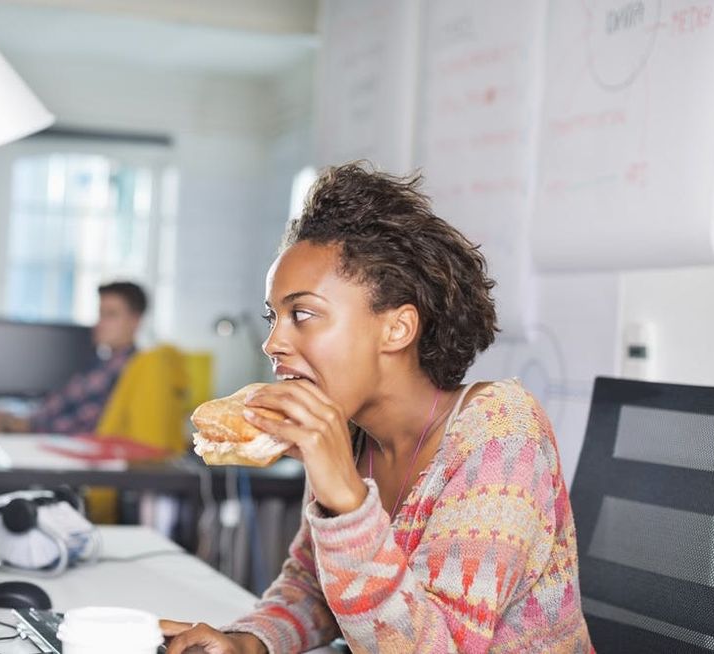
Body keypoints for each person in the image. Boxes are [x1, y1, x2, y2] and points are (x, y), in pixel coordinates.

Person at [163, 164, 593, 653]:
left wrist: (347, 498)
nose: (273, 343)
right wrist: (247, 641)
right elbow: (317, 587)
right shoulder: (347, 432)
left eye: (302, 314)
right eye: (274, 317)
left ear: (397, 329)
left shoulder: (502, 433)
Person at [0, 281, 147, 435]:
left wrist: (17, 425)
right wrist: (14, 419)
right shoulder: (100, 364)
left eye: (111, 315)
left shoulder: (128, 371)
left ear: (135, 321)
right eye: (100, 314)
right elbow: (58, 405)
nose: (100, 323)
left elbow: (82, 428)